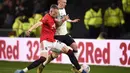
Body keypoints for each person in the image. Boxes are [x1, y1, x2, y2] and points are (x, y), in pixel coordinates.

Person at [14, 4, 85, 73]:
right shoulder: (46, 17)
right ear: (50, 11)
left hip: (53, 41)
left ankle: (79, 70)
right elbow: (39, 23)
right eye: (54, 13)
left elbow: (58, 24)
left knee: (69, 51)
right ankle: (23, 71)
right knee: (43, 58)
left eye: (57, 13)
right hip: (45, 41)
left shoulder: (53, 18)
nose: (56, 14)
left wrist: (65, 20)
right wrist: (30, 30)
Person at [37, 0, 80, 73]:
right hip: (57, 35)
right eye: (64, 2)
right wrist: (63, 20)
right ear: (59, 2)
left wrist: (71, 21)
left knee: (75, 46)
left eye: (66, 2)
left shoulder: (63, 9)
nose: (65, 4)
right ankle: (42, 65)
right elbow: (56, 24)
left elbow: (65, 18)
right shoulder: (55, 12)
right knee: (55, 55)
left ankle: (74, 67)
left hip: (65, 34)